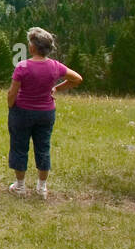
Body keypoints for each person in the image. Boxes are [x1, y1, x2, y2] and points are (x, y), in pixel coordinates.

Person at [7, 27, 82, 198]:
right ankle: (41, 188)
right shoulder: (55, 66)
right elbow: (77, 79)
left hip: (22, 112)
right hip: (46, 112)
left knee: (19, 146)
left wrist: (11, 106)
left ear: (33, 47)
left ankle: (20, 187)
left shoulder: (22, 66)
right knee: (43, 148)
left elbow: (12, 92)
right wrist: (57, 88)